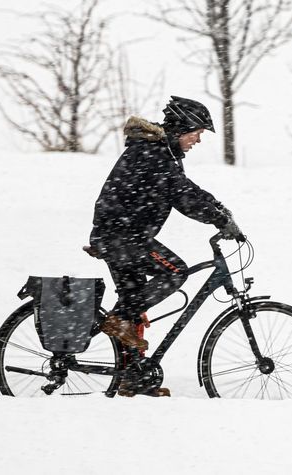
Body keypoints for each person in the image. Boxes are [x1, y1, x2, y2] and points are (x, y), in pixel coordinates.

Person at [88, 96, 244, 395]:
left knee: (134, 304)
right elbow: (183, 196)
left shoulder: (162, 154)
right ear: (180, 128)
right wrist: (219, 219)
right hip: (123, 236)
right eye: (196, 132)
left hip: (123, 236)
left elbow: (187, 189)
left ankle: (134, 377)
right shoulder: (153, 153)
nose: (198, 140)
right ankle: (118, 320)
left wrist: (220, 210)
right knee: (175, 272)